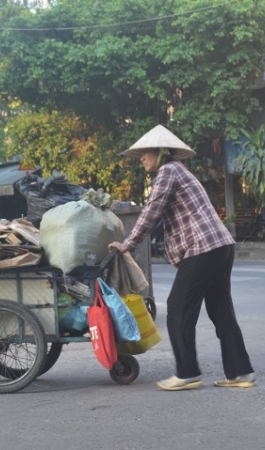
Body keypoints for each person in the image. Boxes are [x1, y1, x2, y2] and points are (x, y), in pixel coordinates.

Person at [108, 124, 255, 391]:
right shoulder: (179, 171)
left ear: (160, 152)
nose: (141, 157)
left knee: (177, 307)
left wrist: (126, 245)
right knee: (221, 310)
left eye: (145, 152)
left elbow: (152, 212)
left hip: (204, 246)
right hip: (220, 245)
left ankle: (187, 373)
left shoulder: (168, 170)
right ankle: (241, 373)